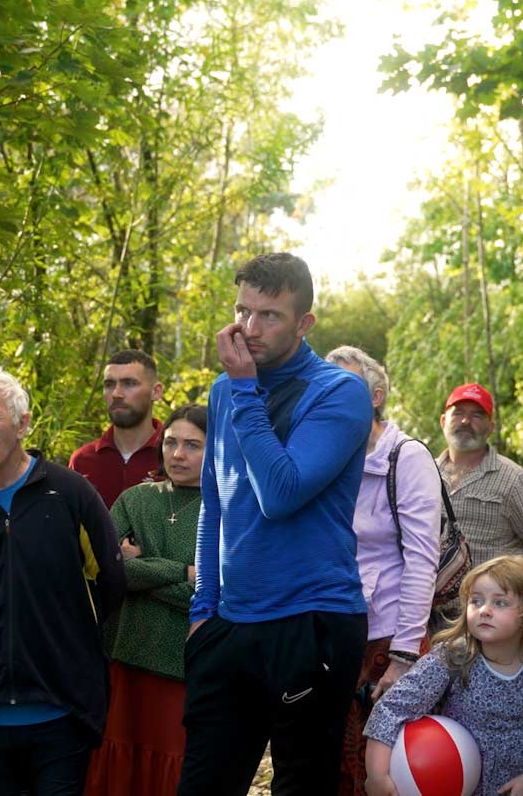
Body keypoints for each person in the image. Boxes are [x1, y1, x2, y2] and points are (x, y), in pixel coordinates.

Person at [180, 252, 374, 796]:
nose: (249, 329)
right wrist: (203, 611)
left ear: (304, 323)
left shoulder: (339, 392)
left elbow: (280, 494)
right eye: (242, 312)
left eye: (269, 316)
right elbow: (215, 505)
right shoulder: (223, 392)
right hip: (230, 625)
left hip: (313, 621)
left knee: (301, 787)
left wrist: (245, 390)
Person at [0, 367, 125, 796]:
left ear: (22, 423)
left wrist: (64, 638)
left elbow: (109, 583)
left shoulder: (71, 495)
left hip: (64, 708)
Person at [326, 345, 442, 796]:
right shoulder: (328, 456)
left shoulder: (406, 457)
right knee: (333, 762)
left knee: (386, 769)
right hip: (334, 630)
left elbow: (421, 558)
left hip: (389, 636)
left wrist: (405, 655)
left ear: (375, 396)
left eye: (346, 385)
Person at [88, 403, 209, 796]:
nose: (178, 454)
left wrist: (142, 569)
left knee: (171, 773)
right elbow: (107, 570)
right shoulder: (135, 500)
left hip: (185, 667)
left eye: (193, 445)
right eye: (171, 443)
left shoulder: (227, 510)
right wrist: (182, 571)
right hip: (125, 660)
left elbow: (211, 594)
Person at [363, 555, 523, 796]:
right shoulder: (454, 656)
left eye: (500, 603)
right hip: (456, 786)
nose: (484, 610)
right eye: (476, 601)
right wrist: (377, 776)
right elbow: (391, 708)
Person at [435, 383, 523, 570]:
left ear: (490, 428)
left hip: (488, 599)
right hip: (426, 599)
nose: (466, 421)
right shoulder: (423, 473)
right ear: (443, 421)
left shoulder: (515, 479)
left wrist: (502, 583)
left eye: (477, 415)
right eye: (458, 413)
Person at [70, 350, 166, 507]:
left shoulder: (176, 456)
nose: (116, 394)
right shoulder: (82, 460)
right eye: (109, 385)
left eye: (129, 383)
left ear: (156, 392)